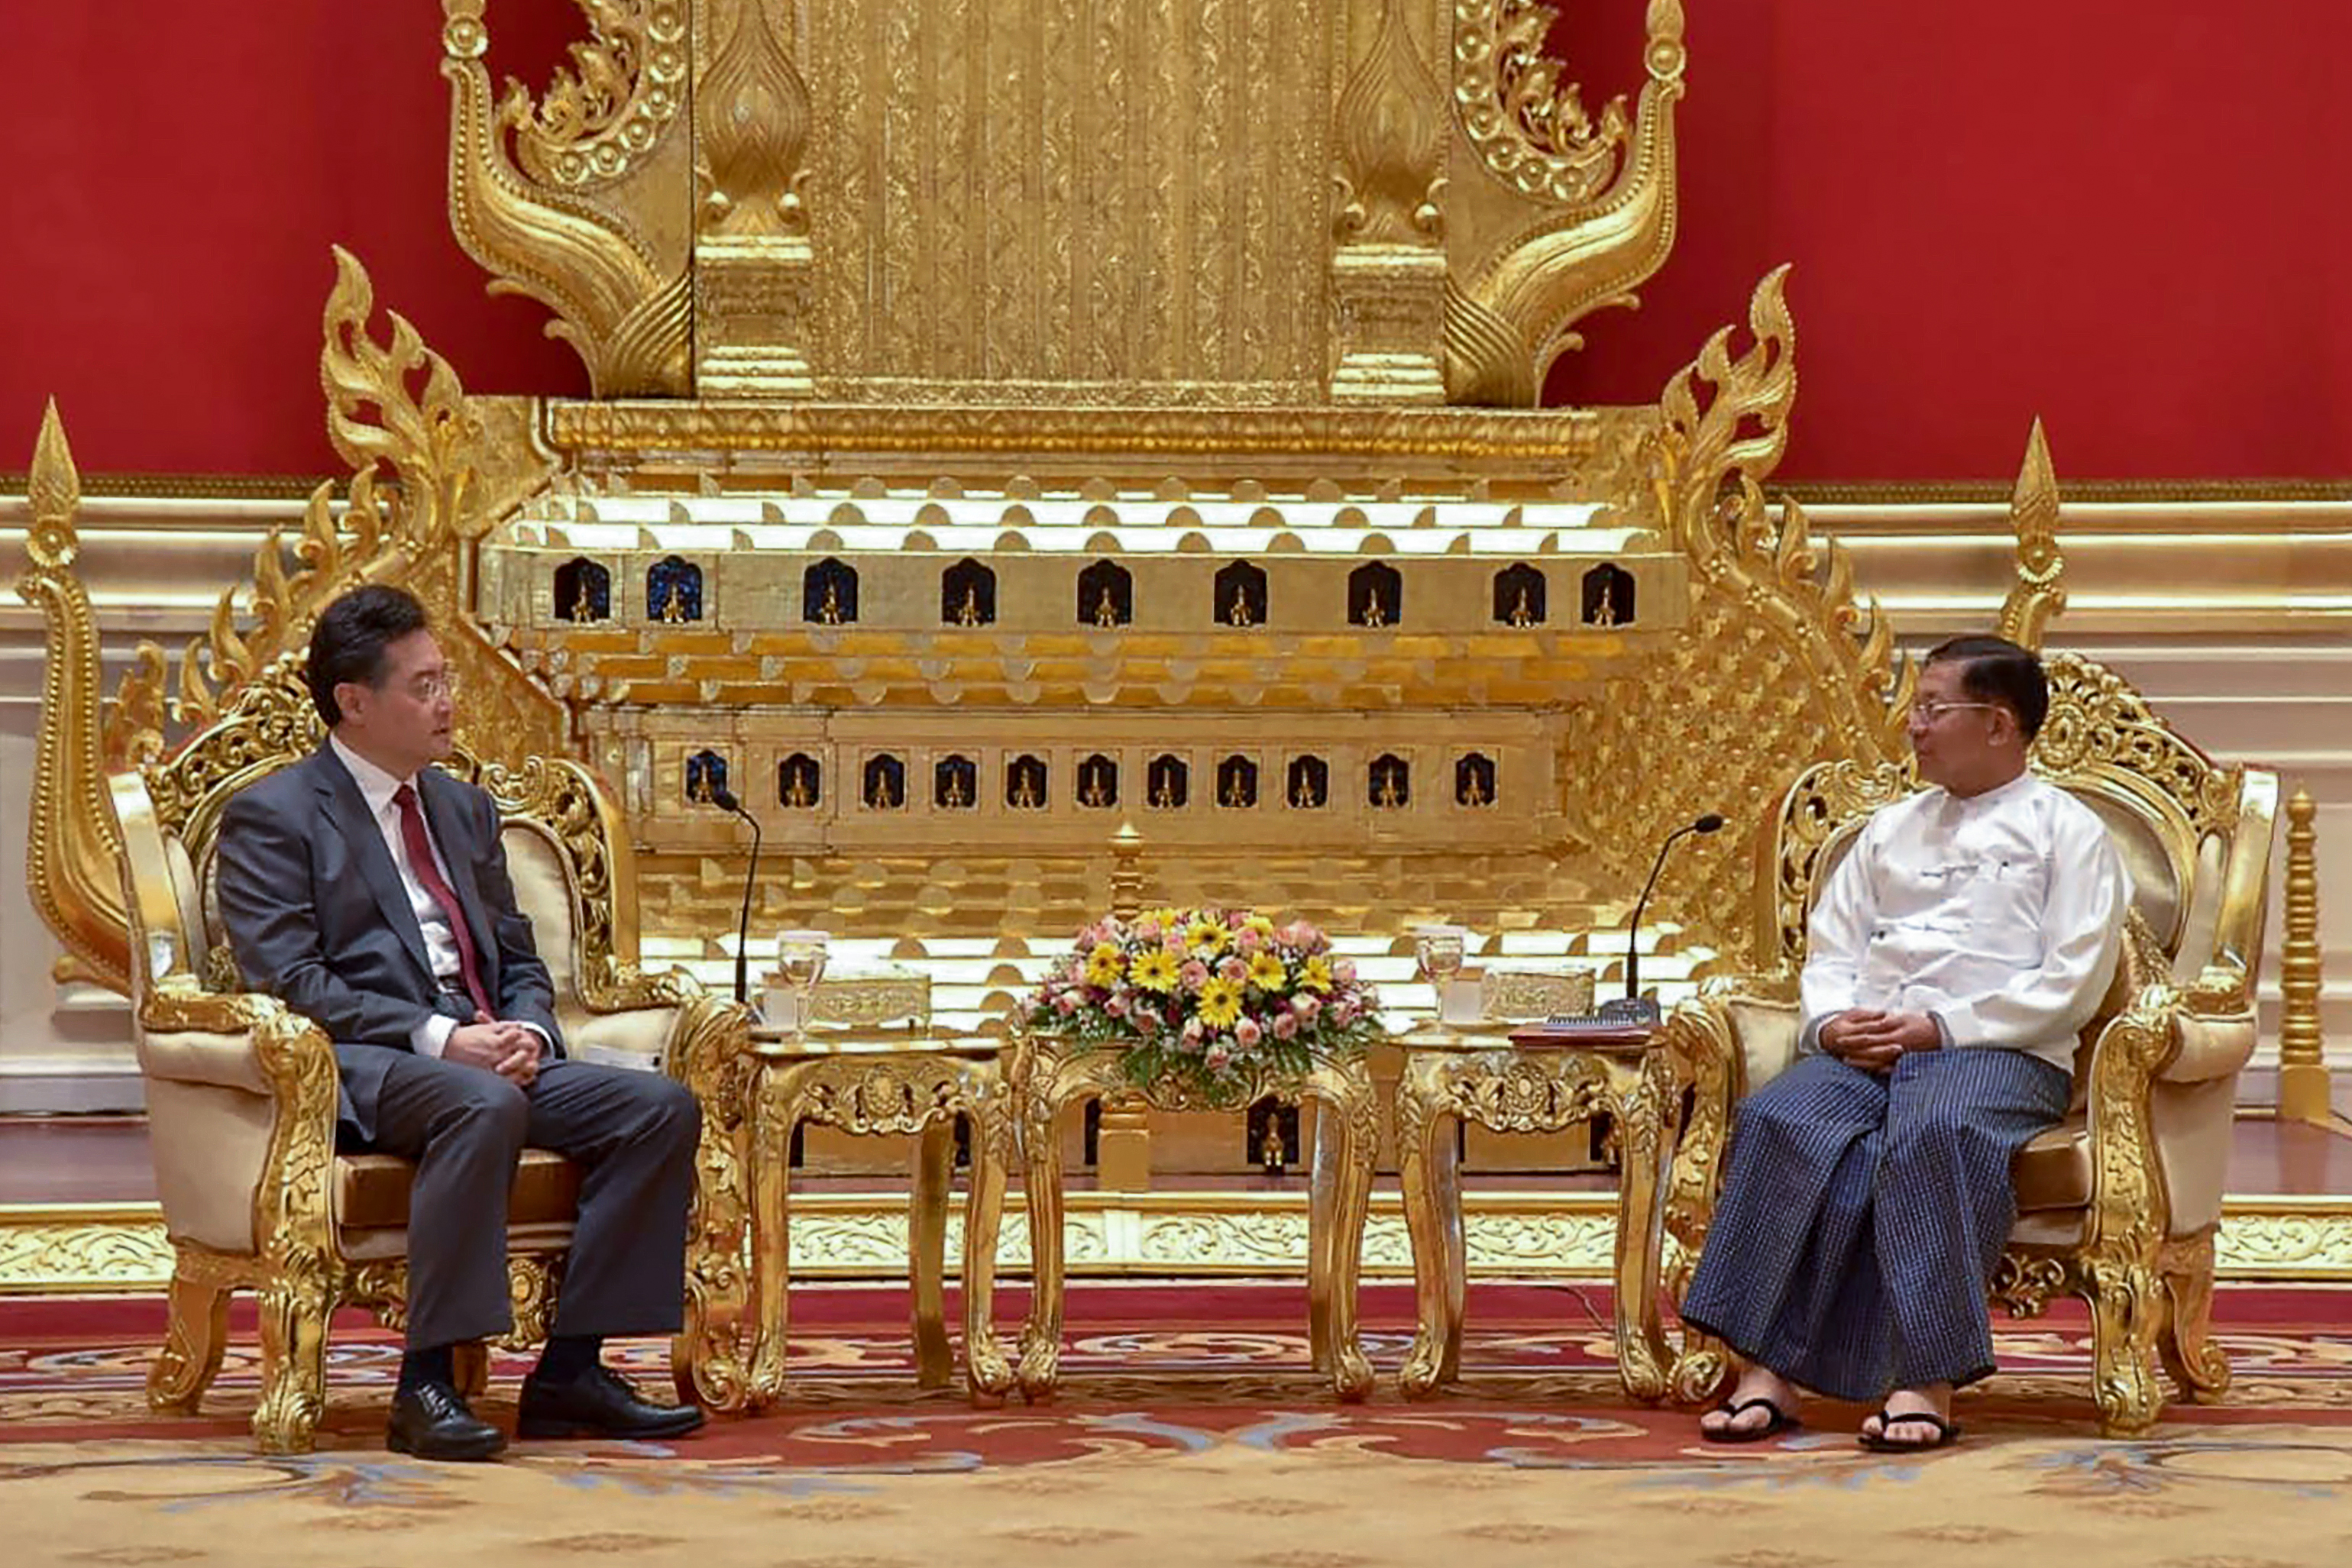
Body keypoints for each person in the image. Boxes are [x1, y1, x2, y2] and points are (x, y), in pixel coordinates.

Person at [217, 585, 707, 1461]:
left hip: (486, 1053)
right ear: (354, 702)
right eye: (424, 685)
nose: (448, 702)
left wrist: (529, 1031)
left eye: (447, 679)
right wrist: (443, 1039)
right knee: (478, 1103)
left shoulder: (463, 808)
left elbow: (519, 957)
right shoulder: (276, 814)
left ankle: (570, 1372)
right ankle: (427, 1383)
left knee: (657, 1106)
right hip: (367, 1062)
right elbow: (291, 981)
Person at [1681, 635, 2128, 1452]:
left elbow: (2073, 978)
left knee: (1932, 1134)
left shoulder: (2069, 832)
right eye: (1915, 708)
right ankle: (1765, 1372)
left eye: (1931, 708)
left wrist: (1944, 1027)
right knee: (1783, 1118)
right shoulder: (1886, 829)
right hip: (1869, 1044)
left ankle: (1925, 1381)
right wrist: (1830, 1023)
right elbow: (1831, 952)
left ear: (1997, 724)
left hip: (1997, 1052)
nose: (1913, 726)